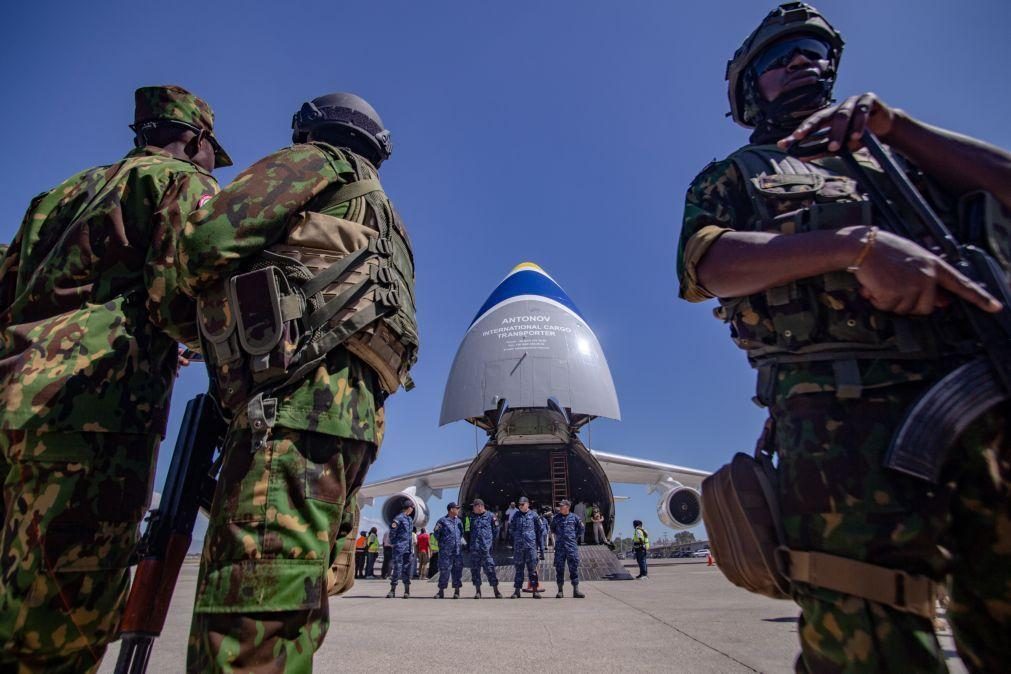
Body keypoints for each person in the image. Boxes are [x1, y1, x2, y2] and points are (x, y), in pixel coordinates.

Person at [678, 4, 1011, 670]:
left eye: (811, 50)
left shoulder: (909, 164)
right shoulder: (739, 173)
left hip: (985, 404)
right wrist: (853, 247)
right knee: (866, 636)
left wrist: (901, 129)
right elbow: (707, 265)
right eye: (779, 56)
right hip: (844, 422)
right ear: (751, 88)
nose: (801, 60)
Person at [178, 91, 418, 671]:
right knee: (292, 611)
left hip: (291, 412)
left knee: (249, 616)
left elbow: (203, 243)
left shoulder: (317, 165)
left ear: (311, 134)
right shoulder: (392, 227)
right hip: (353, 427)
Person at [0, 85, 226, 673]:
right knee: (66, 620)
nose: (210, 162)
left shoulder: (56, 196)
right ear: (195, 138)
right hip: (94, 414)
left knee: (11, 592)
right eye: (210, 151)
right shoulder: (180, 183)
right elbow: (184, 296)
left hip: (14, 403)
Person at [509, 497, 544, 598]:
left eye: (522, 504)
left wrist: (536, 543)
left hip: (531, 548)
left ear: (527, 504)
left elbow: (540, 529)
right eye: (519, 504)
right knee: (519, 569)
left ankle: (534, 590)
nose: (520, 506)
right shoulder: (516, 515)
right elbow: (511, 529)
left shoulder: (534, 515)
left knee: (532, 570)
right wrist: (517, 538)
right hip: (519, 548)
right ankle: (517, 591)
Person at [468, 499, 502, 598]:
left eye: (474, 506)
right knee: (475, 571)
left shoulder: (491, 516)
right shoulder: (471, 517)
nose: (473, 508)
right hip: (475, 549)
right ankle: (478, 591)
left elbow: (496, 530)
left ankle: (496, 591)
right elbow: (468, 531)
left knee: (490, 569)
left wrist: (489, 542)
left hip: (486, 549)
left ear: (479, 506)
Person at [551, 500, 585, 598]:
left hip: (571, 547)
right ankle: (560, 591)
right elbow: (552, 529)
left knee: (573, 569)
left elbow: (581, 529)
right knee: (559, 569)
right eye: (560, 506)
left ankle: (576, 590)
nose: (560, 507)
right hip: (560, 548)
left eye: (563, 506)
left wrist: (574, 537)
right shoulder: (556, 518)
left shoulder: (575, 517)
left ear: (568, 507)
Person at [433, 502, 465, 599]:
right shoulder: (442, 521)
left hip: (457, 552)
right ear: (451, 509)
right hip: (446, 552)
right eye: (457, 508)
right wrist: (444, 544)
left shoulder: (459, 521)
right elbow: (436, 534)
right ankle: (441, 591)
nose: (458, 510)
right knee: (444, 571)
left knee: (457, 571)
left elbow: (461, 534)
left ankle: (457, 591)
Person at [386, 502, 415, 599]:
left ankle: (407, 591)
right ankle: (392, 590)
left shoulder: (410, 519)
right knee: (397, 568)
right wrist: (396, 543)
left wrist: (410, 548)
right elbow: (392, 532)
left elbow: (410, 535)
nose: (412, 509)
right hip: (399, 548)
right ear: (408, 508)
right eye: (412, 507)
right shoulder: (399, 518)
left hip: (408, 549)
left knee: (407, 569)